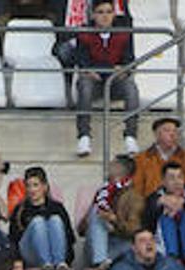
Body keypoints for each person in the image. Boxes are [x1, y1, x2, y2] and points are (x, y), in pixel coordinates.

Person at [70, 0, 140, 158]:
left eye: (109, 12)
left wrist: (123, 69)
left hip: (116, 81)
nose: (105, 16)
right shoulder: (84, 32)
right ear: (93, 15)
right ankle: (84, 137)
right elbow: (81, 59)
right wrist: (88, 70)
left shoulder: (124, 33)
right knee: (84, 84)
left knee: (131, 87)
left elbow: (129, 59)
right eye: (100, 12)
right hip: (94, 81)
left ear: (114, 14)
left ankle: (130, 136)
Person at [13, 167, 75, 270]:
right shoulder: (20, 209)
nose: (31, 190)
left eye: (35, 185)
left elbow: (69, 236)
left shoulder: (57, 207)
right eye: (28, 186)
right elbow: (14, 239)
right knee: (38, 222)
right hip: (30, 253)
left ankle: (59, 263)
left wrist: (68, 260)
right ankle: (45, 263)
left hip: (56, 253)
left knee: (55, 219)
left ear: (45, 186)